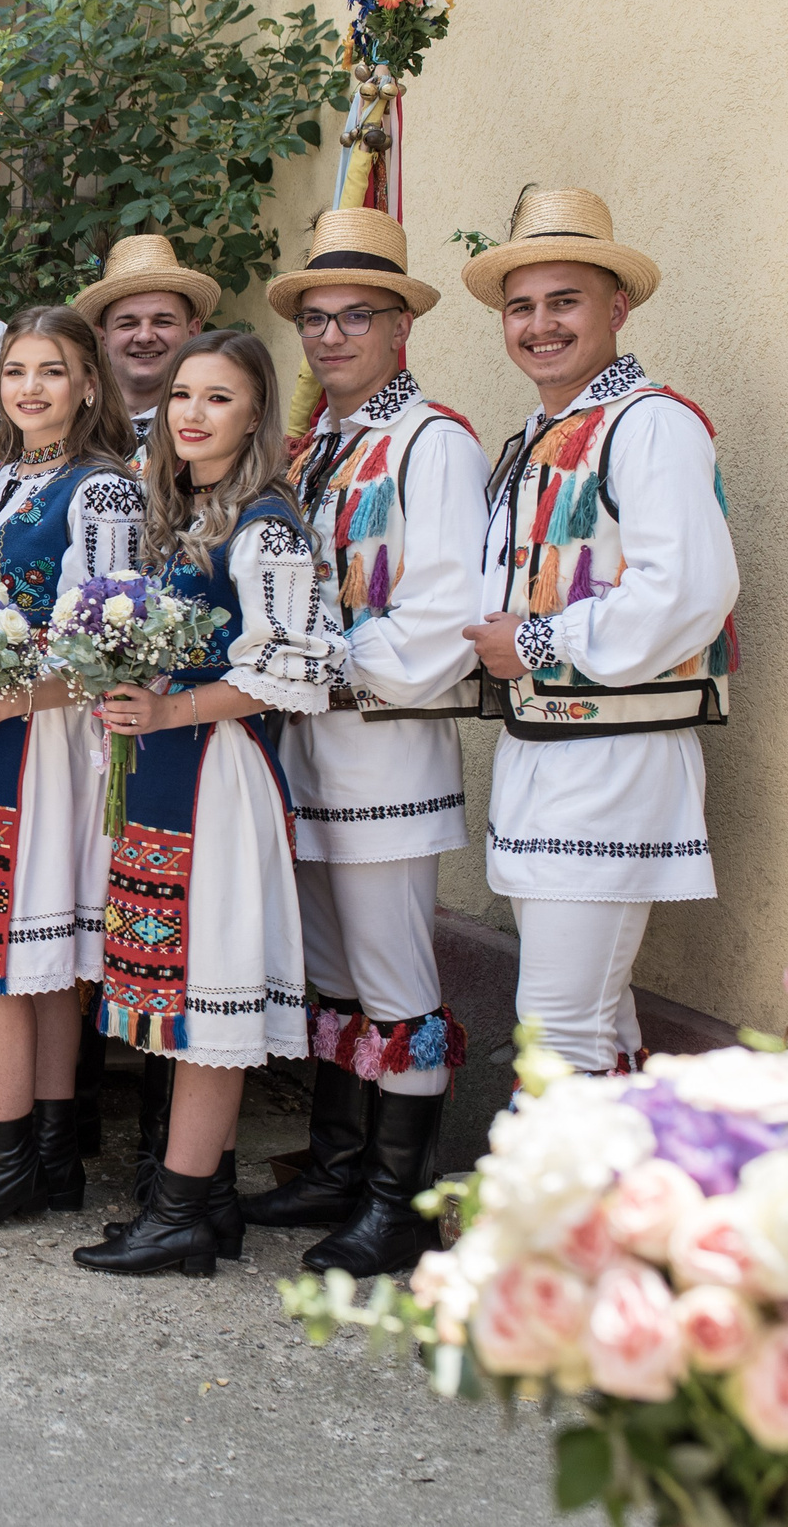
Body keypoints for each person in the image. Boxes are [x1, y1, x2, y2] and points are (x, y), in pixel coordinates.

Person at [248, 210, 483, 1280]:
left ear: (400, 328)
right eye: (316, 318)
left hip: (382, 747)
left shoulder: (432, 441)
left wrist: (319, 664)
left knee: (394, 977)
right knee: (336, 974)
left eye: (357, 317)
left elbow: (439, 615)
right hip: (310, 750)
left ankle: (398, 1201)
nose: (332, 336)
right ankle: (339, 1167)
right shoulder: (315, 446)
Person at [72, 331, 337, 1277]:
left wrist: (173, 703)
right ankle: (202, 1200)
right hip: (166, 771)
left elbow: (294, 668)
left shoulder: (264, 525)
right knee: (173, 982)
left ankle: (182, 1211)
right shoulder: (182, 514)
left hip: (220, 773)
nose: (191, 413)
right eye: (183, 394)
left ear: (256, 413)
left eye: (218, 398)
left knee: (208, 988)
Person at [460, 191, 737, 1077]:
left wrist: (537, 642)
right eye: (521, 307)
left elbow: (689, 588)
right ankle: (612, 1215)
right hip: (548, 748)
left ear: (617, 308)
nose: (540, 325)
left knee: (558, 1028)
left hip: (618, 754)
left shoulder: (648, 424)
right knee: (593, 1019)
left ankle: (548, 1218)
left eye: (564, 301)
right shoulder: (539, 437)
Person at [0, 307, 146, 1234]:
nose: (31, 388)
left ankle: (10, 1151)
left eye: (52, 371)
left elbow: (115, 642)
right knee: (35, 956)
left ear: (90, 384)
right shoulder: (5, 478)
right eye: (16, 371)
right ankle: (48, 1156)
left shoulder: (104, 492)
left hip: (52, 737)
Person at [0, 138, 220, 449]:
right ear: (102, 334)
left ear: (193, 331)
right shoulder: (60, 402)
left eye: (163, 321)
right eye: (127, 323)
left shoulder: (215, 424)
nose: (145, 335)